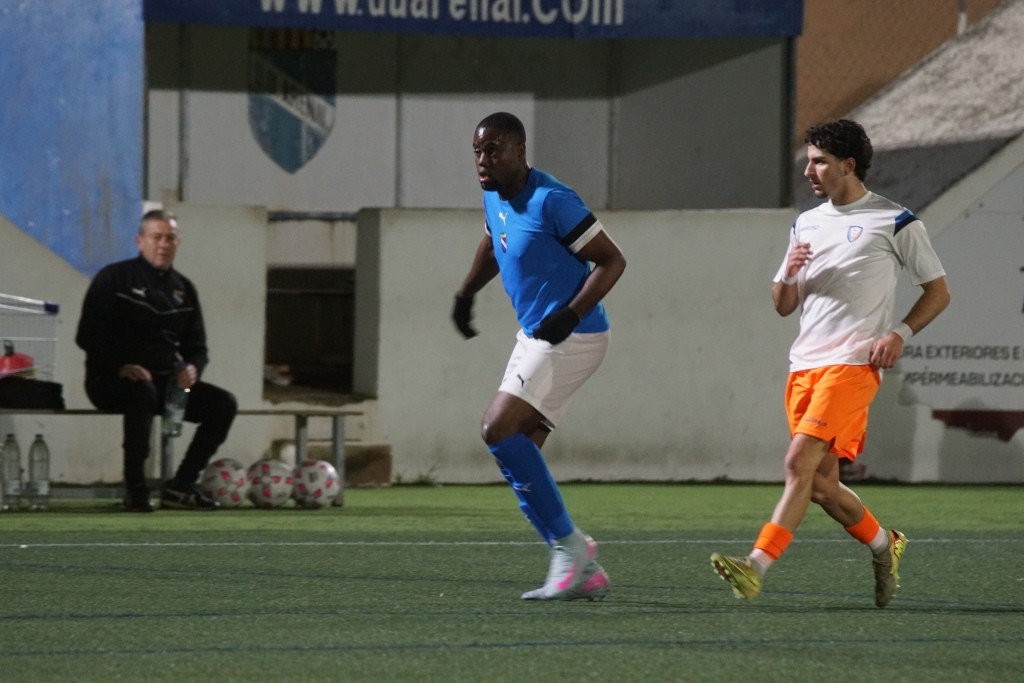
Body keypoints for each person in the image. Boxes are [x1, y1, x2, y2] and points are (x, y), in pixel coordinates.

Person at [710, 119, 950, 607]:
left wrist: (899, 334)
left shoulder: (895, 221)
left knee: (797, 462)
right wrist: (787, 272)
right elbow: (783, 305)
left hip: (852, 365)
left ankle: (755, 566)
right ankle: (885, 544)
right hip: (805, 366)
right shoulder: (807, 223)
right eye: (809, 161)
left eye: (819, 162)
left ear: (848, 165)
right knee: (821, 486)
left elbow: (938, 292)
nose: (808, 171)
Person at [452, 112, 626, 601]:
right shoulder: (494, 195)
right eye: (478, 151)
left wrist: (570, 314)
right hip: (536, 337)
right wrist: (465, 293)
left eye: (493, 150)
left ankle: (571, 550)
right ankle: (579, 567)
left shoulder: (552, 200)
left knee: (496, 428)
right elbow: (495, 240)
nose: (483, 161)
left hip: (575, 336)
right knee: (517, 450)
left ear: (520, 150)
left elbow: (612, 260)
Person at [76, 209, 238, 512]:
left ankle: (180, 487)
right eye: (156, 237)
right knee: (142, 392)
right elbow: (87, 336)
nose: (163, 244)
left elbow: (198, 348)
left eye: (170, 238)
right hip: (109, 380)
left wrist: (193, 369)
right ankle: (135, 490)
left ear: (178, 242)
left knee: (223, 404)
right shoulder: (113, 278)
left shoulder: (184, 289)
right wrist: (120, 366)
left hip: (167, 385)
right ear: (140, 241)